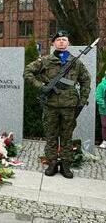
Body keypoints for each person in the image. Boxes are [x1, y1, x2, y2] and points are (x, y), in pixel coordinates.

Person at [24, 30, 91, 178]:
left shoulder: (76, 62)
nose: (61, 42)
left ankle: (66, 165)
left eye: (64, 39)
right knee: (51, 135)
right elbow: (28, 71)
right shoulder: (45, 61)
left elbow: (86, 80)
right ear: (53, 43)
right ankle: (52, 163)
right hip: (50, 105)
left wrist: (83, 100)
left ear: (68, 43)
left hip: (69, 106)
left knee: (67, 136)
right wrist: (40, 86)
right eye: (58, 39)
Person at [96, 75, 106, 149]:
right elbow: (98, 97)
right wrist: (104, 106)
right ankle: (104, 141)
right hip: (104, 110)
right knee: (105, 125)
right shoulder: (101, 85)